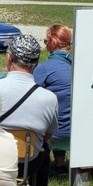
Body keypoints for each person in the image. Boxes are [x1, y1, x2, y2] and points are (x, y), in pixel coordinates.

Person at [0, 34, 58, 186]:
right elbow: (48, 134)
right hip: (28, 163)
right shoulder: (49, 98)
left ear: (9, 58)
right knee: (45, 149)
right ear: (36, 63)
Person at [33, 24, 73, 172]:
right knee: (63, 108)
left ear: (52, 42)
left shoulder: (44, 68)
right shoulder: (80, 66)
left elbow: (29, 95)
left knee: (51, 114)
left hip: (56, 134)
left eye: (45, 41)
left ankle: (40, 166)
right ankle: (60, 164)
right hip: (79, 131)